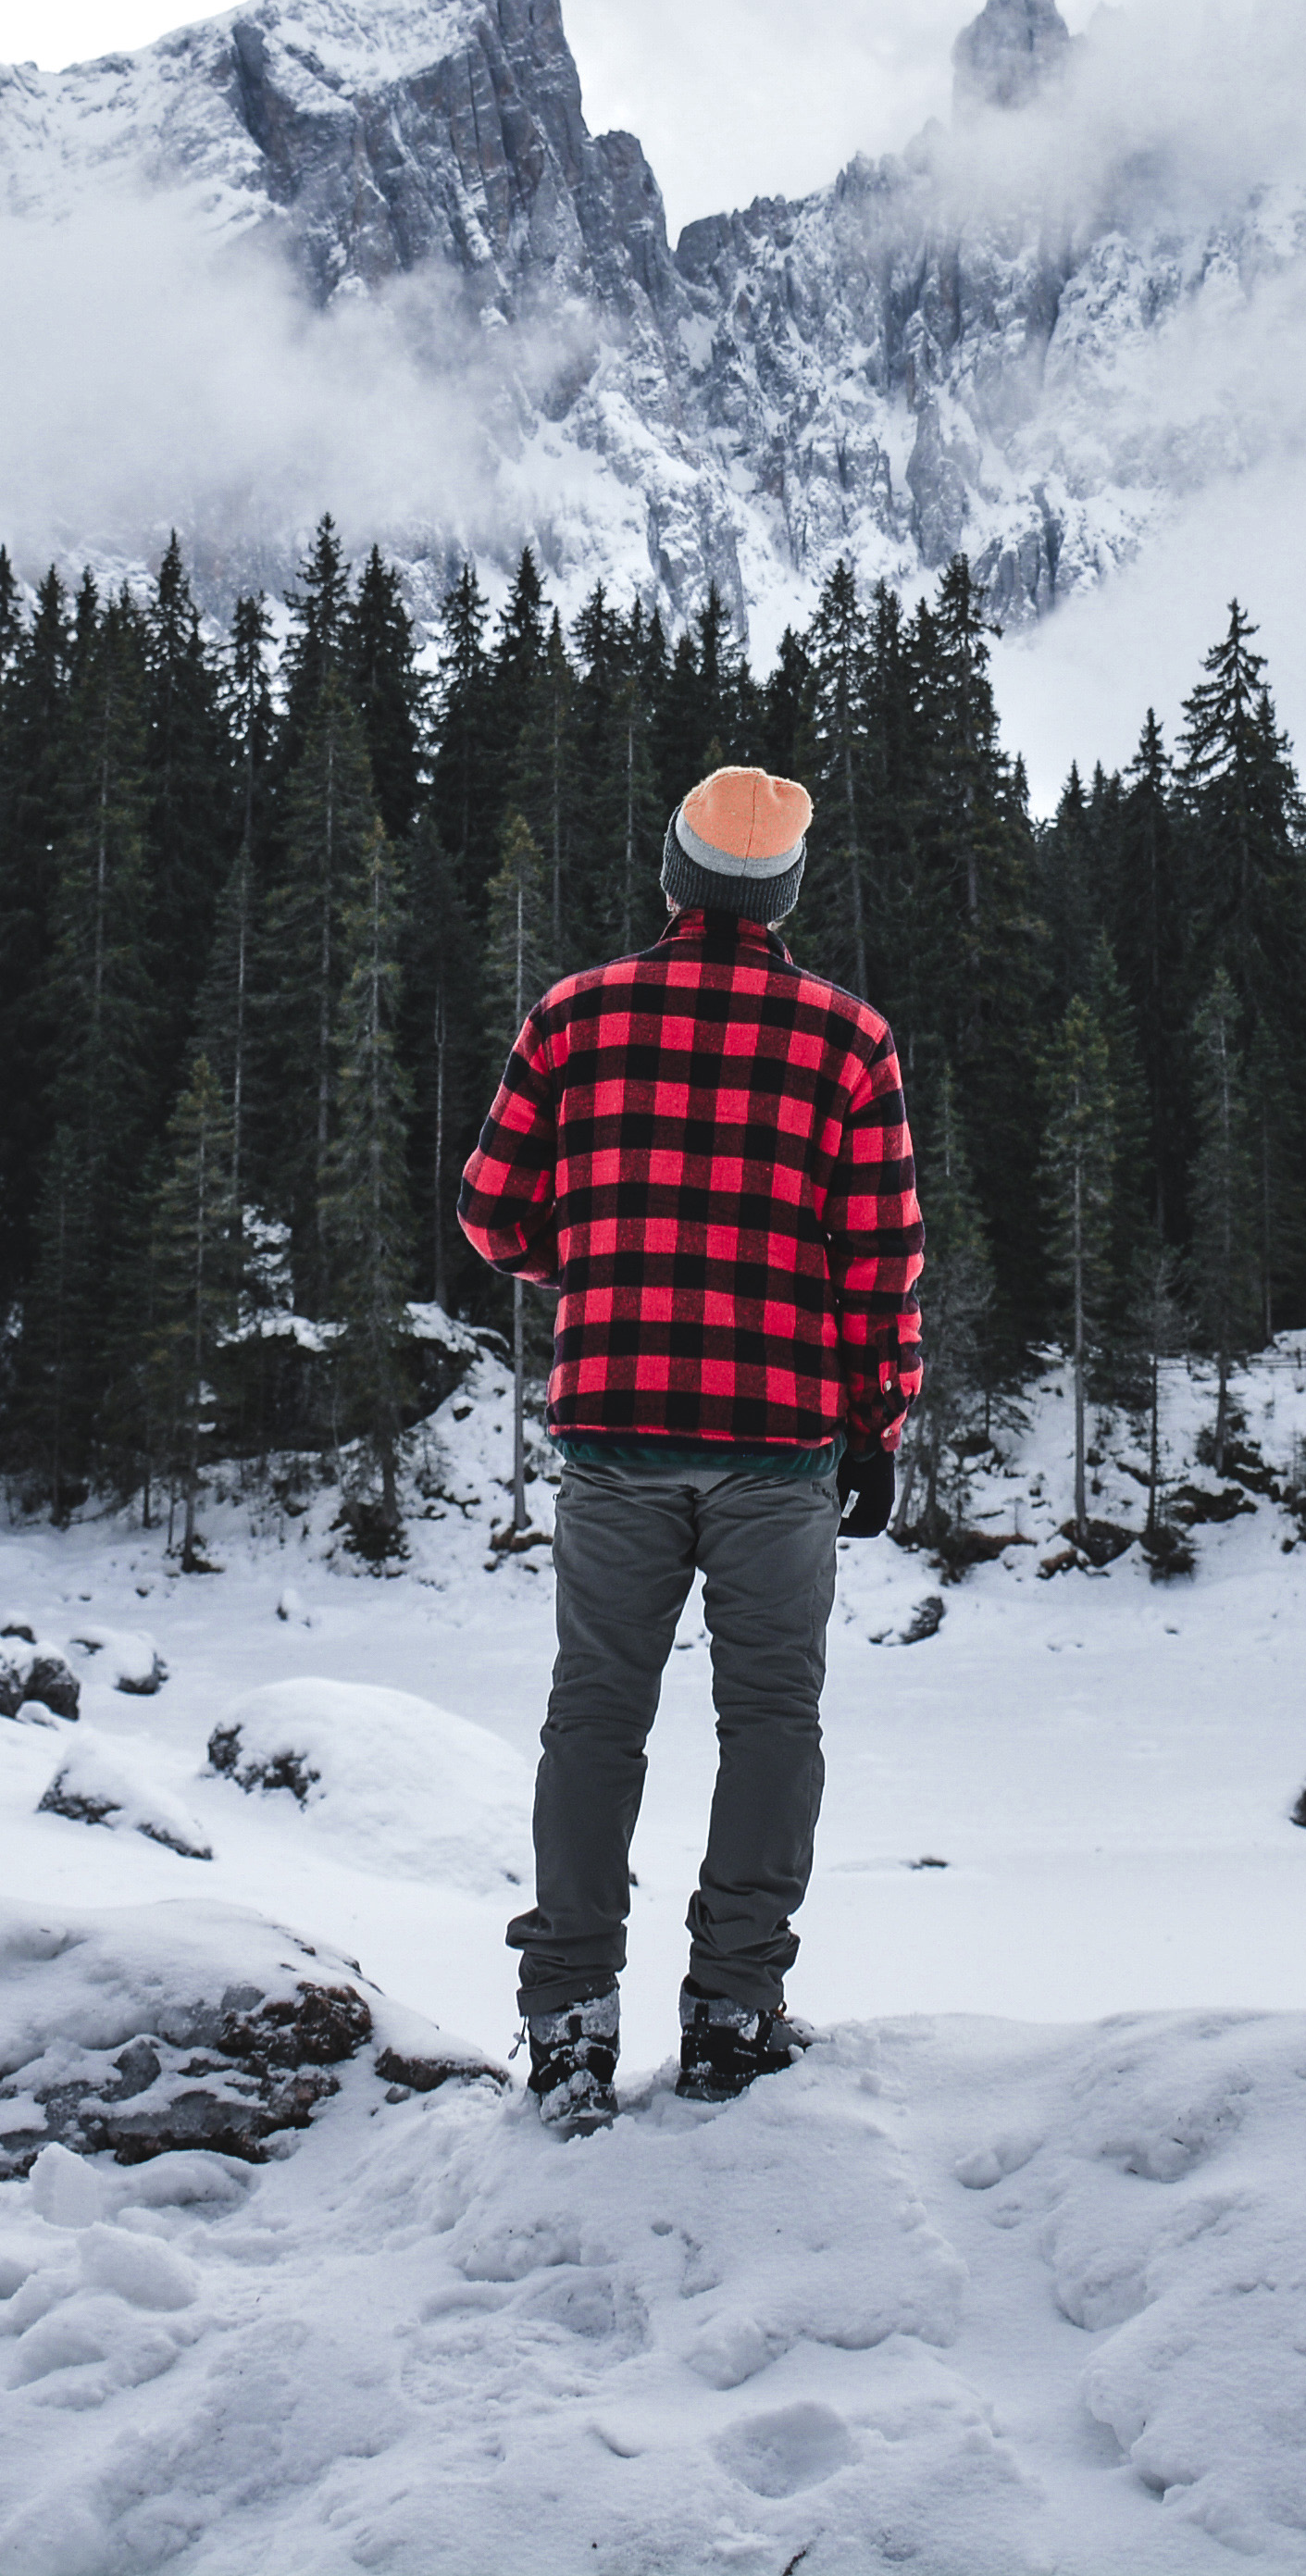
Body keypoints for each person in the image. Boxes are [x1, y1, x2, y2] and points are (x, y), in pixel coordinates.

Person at [454, 764, 922, 2131]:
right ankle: (732, 2009)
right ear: (779, 896)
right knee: (770, 1720)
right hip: (782, 1442)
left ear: (673, 877)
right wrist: (878, 1422)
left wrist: (591, 1258)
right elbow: (881, 1259)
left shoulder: (576, 1015)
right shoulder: (849, 1041)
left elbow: (490, 1212)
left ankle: (570, 2021)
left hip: (614, 1429)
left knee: (596, 1715)